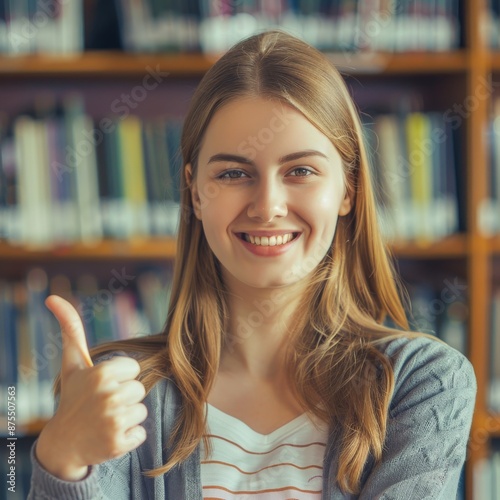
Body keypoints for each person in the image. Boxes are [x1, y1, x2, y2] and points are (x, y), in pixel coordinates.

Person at [28, 30, 476, 499]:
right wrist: (60, 456)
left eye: (300, 171)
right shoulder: (120, 388)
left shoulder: (423, 383)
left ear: (348, 189)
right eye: (233, 173)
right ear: (196, 192)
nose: (267, 206)